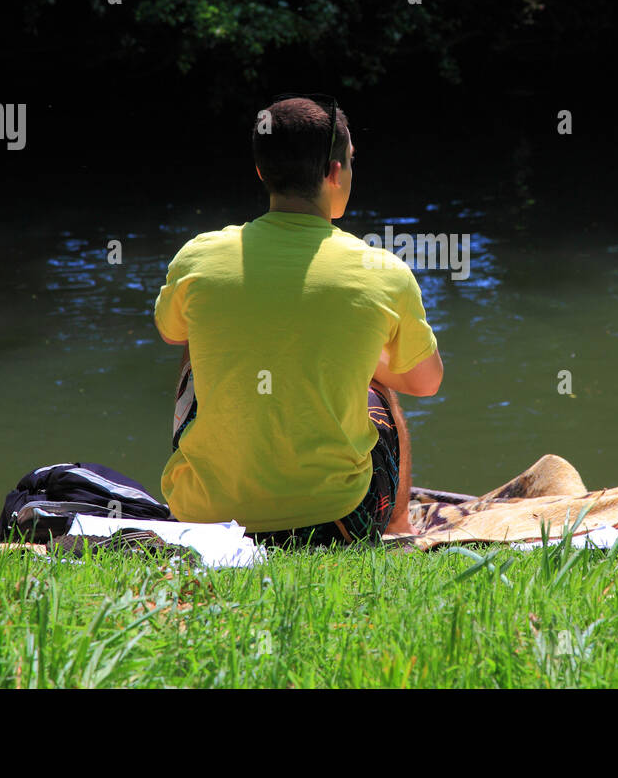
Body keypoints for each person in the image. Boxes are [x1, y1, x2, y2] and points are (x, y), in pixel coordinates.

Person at [152, 95, 444, 546]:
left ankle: (220, 483)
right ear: (333, 172)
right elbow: (426, 382)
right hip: (336, 523)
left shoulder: (199, 257)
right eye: (349, 162)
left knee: (196, 341)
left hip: (206, 516)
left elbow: (171, 332)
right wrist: (357, 358)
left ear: (260, 172)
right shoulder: (382, 271)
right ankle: (399, 525)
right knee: (374, 387)